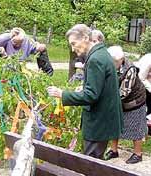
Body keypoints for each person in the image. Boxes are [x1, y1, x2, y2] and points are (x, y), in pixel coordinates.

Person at [47, 24, 123, 160]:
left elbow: (91, 95)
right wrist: (85, 86)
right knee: (95, 161)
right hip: (104, 120)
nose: (72, 48)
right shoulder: (102, 53)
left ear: (86, 38)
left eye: (74, 43)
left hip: (98, 123)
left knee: (91, 164)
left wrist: (62, 94)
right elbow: (100, 87)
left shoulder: (95, 59)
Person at [106, 46, 147, 164]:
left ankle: (138, 154)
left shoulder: (130, 69)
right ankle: (114, 151)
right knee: (115, 124)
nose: (112, 64)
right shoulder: (111, 64)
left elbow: (124, 92)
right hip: (119, 100)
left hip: (135, 101)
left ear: (121, 59)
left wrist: (108, 101)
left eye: (114, 62)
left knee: (136, 127)